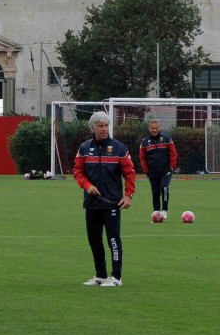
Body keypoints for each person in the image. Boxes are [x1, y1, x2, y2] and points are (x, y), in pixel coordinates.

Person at [73, 111, 137, 287]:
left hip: (112, 204)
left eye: (106, 125)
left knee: (113, 240)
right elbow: (78, 172)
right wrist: (87, 186)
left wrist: (129, 195)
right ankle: (100, 275)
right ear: (93, 127)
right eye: (100, 126)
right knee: (94, 239)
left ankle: (116, 277)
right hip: (92, 204)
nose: (103, 129)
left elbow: (130, 173)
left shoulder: (119, 148)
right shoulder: (84, 148)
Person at [138, 119, 178, 219]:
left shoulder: (167, 138)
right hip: (152, 171)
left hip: (166, 170)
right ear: (149, 129)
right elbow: (142, 157)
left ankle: (164, 210)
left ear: (159, 128)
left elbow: (173, 153)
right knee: (155, 192)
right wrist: (146, 170)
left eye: (156, 128)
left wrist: (171, 166)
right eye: (152, 128)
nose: (154, 130)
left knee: (164, 188)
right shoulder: (144, 142)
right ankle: (156, 211)